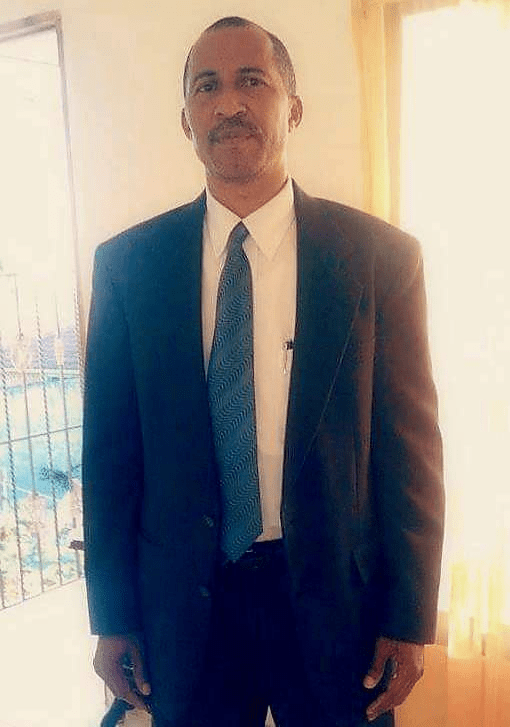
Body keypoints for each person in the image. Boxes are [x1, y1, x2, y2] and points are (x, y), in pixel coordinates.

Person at [82, 16, 444, 727]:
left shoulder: (379, 259)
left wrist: (409, 616)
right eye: (206, 87)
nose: (228, 103)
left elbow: (411, 453)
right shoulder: (128, 268)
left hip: (337, 602)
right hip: (187, 607)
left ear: (293, 107)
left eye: (252, 81)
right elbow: (111, 459)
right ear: (186, 120)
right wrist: (112, 615)